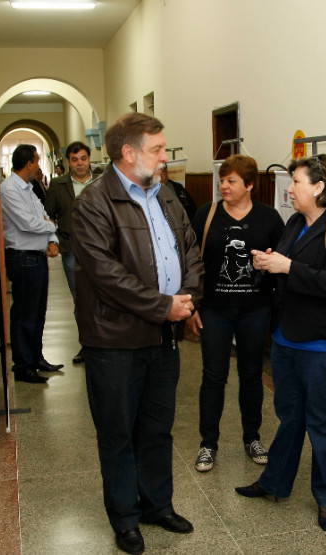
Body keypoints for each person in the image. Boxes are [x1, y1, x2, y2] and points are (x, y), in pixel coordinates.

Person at [71, 113, 203, 554]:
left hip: (163, 338)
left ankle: (157, 505)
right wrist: (164, 306)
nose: (165, 157)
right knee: (119, 434)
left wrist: (187, 298)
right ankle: (126, 518)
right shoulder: (94, 202)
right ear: (128, 153)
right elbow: (106, 275)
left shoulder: (165, 195)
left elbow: (190, 249)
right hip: (115, 342)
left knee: (158, 429)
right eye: (157, 150)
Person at [235, 154, 326, 532]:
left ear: (320, 187)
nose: (290, 189)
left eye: (296, 182)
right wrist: (268, 263)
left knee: (324, 422)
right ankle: (275, 482)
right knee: (290, 416)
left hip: (325, 346)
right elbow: (285, 268)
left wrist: (287, 266)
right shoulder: (295, 222)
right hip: (287, 338)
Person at [185, 154, 284, 472]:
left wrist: (267, 265)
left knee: (252, 376)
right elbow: (192, 261)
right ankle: (208, 444)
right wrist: (192, 306)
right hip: (214, 310)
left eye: (231, 181)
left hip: (255, 310)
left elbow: (281, 262)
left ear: (250, 185)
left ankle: (252, 437)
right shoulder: (207, 213)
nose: (223, 186)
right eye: (222, 180)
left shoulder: (269, 218)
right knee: (213, 376)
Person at [0, 144, 63, 384]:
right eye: (37, 161)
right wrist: (51, 225)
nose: (38, 165)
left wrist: (52, 238)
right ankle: (23, 365)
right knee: (25, 314)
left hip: (36, 257)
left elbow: (43, 215)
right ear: (29, 163)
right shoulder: (10, 189)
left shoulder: (29, 188)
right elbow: (29, 223)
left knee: (38, 313)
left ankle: (36, 357)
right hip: (22, 257)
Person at [46, 141, 96, 365]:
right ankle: (87, 344)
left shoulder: (102, 182)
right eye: (75, 160)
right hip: (72, 250)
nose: (80, 164)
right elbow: (49, 216)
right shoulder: (58, 185)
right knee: (80, 298)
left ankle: (104, 342)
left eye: (83, 159)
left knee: (105, 295)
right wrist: (52, 240)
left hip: (101, 250)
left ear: (89, 159)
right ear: (68, 162)